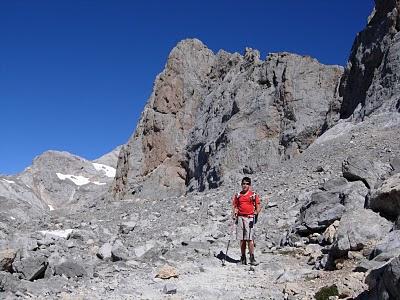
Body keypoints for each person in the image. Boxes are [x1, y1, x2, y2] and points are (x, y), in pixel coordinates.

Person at [232, 176, 261, 265]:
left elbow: (258, 206)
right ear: (241, 184)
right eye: (243, 183)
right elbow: (235, 206)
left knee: (249, 238)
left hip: (249, 217)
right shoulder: (238, 195)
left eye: (247, 184)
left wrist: (256, 212)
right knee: (242, 239)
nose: (245, 185)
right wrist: (234, 213)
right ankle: (243, 258)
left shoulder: (253, 195)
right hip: (240, 218)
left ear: (250, 185)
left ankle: (252, 258)